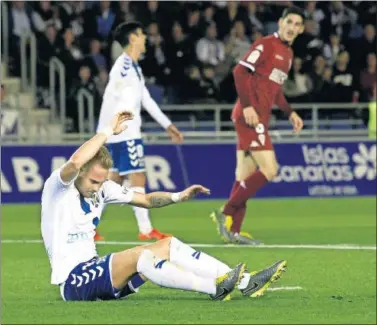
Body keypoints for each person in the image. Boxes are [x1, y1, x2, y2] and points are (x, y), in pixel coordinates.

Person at [40, 111, 287, 302]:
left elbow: (146, 200)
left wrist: (178, 196)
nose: (98, 186)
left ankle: (244, 282)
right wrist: (107, 131)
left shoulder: (103, 189)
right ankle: (214, 288)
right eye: (94, 180)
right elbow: (74, 161)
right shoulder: (58, 188)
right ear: (81, 173)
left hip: (97, 271)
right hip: (74, 281)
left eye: (102, 181)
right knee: (141, 257)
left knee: (167, 246)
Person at [211, 7, 305, 245]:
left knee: (244, 175)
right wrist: (248, 106)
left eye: (297, 24)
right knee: (270, 170)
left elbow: (276, 91)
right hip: (249, 116)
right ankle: (225, 212)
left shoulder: (288, 54)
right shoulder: (265, 45)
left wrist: (290, 112)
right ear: (280, 23)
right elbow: (239, 71)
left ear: (301, 29)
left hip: (258, 117)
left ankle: (234, 232)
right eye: (289, 22)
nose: (292, 27)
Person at [96, 22, 184, 241]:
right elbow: (110, 98)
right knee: (138, 176)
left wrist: (168, 125)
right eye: (142, 34)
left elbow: (146, 100)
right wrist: (105, 132)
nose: (145, 38)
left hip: (119, 132)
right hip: (125, 132)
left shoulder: (133, 68)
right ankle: (145, 229)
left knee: (113, 181)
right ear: (133, 38)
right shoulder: (123, 67)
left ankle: (87, 226)